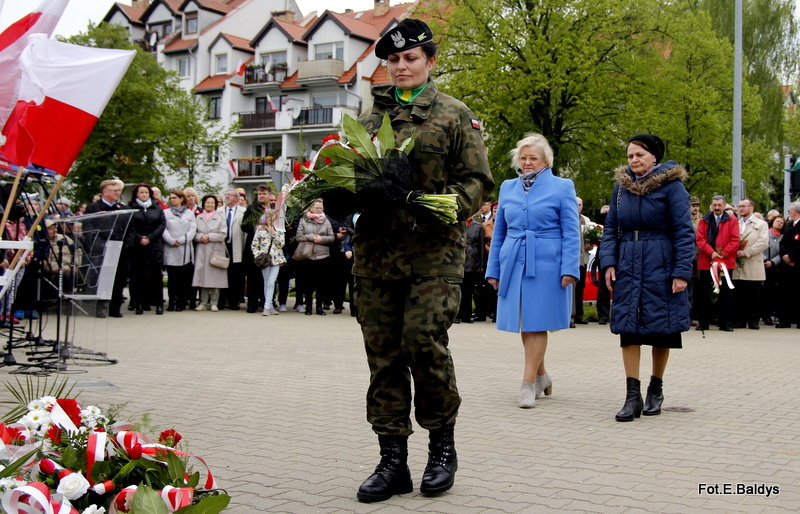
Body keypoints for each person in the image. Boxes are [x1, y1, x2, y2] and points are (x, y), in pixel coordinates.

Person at [353, 18, 494, 503]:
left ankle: (441, 448)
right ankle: (392, 460)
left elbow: (477, 181)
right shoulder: (369, 121)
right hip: (376, 257)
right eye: (392, 60)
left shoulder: (454, 115)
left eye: (410, 58)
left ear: (430, 62)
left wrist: (433, 202)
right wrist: (346, 194)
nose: (400, 67)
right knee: (383, 356)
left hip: (434, 254)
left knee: (423, 344)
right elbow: (346, 178)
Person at [599, 134, 694, 422]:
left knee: (660, 329)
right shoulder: (621, 188)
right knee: (629, 329)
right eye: (630, 156)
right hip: (628, 261)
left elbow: (683, 232)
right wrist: (609, 262)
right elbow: (611, 229)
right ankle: (632, 396)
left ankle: (656, 387)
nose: (634, 160)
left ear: (654, 156)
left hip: (660, 262)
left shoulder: (673, 187)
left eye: (639, 154)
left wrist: (681, 272)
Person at [486, 134, 579, 408]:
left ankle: (527, 383)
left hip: (548, 262)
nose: (527, 162)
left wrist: (570, 268)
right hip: (513, 260)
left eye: (533, 158)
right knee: (526, 321)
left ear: (546, 161)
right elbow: (500, 230)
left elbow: (571, 231)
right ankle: (542, 376)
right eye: (523, 158)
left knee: (537, 322)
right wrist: (494, 269)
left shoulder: (563, 186)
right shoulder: (507, 187)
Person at [696, 195, 739, 331]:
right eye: (714, 205)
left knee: (726, 292)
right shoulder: (704, 219)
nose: (717, 207)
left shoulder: (732, 220)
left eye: (719, 205)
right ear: (711, 205)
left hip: (725, 262)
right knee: (704, 292)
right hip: (706, 261)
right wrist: (712, 253)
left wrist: (723, 254)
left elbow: (735, 240)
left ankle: (725, 323)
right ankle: (703, 323)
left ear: (724, 205)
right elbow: (700, 239)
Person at [85, 179, 127, 317]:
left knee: (118, 279)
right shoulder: (94, 207)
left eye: (119, 191)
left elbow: (127, 227)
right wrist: (98, 243)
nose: (118, 193)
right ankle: (100, 307)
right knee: (101, 278)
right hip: (100, 249)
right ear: (105, 191)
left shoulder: (122, 208)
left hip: (118, 248)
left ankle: (115, 308)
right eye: (115, 190)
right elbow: (88, 227)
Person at [126, 183, 166, 315]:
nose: (144, 195)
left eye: (146, 192)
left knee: (156, 276)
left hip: (154, 246)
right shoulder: (131, 208)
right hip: (137, 247)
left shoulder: (157, 208)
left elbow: (162, 224)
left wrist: (150, 238)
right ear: (136, 194)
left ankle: (159, 304)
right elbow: (129, 226)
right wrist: (140, 238)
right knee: (138, 277)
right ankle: (139, 304)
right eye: (141, 192)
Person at [732, 198, 768, 329]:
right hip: (737, 265)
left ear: (751, 207)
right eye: (739, 206)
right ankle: (740, 320)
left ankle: (753, 320)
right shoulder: (736, 223)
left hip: (753, 262)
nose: (740, 209)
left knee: (753, 294)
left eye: (743, 206)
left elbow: (763, 242)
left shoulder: (761, 224)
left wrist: (747, 252)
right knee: (739, 294)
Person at [294, 200, 334, 315]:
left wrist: (322, 239)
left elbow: (332, 237)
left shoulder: (326, 221)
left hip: (322, 255)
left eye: (321, 208)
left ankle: (319, 307)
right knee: (308, 283)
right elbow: (298, 236)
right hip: (308, 255)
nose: (320, 210)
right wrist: (312, 237)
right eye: (317, 208)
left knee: (321, 283)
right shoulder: (304, 219)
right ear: (311, 209)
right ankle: (309, 307)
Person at [192, 195, 228, 311]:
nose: (210, 205)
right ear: (203, 204)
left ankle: (214, 302)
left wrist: (209, 236)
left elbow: (223, 234)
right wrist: (201, 237)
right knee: (203, 277)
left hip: (215, 250)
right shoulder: (198, 217)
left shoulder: (220, 217)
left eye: (212, 203)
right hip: (202, 249)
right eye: (207, 202)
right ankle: (202, 302)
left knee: (215, 277)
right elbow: (194, 233)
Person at [162, 190, 196, 311]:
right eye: (170, 198)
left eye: (175, 198)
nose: (172, 200)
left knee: (183, 279)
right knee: (172, 279)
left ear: (182, 199)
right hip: (171, 248)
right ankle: (171, 302)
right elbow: (163, 229)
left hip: (185, 248)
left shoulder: (189, 213)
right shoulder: (165, 213)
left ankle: (181, 302)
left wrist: (181, 240)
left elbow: (192, 230)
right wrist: (171, 240)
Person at [241, 185, 273, 313]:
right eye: (259, 194)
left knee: (267, 278)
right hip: (254, 249)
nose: (261, 196)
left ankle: (266, 302)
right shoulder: (251, 209)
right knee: (253, 277)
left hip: (269, 248)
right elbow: (244, 226)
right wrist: (257, 226)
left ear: (270, 195)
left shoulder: (273, 209)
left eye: (264, 194)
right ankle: (252, 304)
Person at [251, 210, 285, 315]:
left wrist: (273, 233)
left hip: (276, 259)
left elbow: (281, 244)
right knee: (266, 282)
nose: (271, 220)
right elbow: (254, 245)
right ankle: (269, 306)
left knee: (271, 282)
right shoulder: (260, 230)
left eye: (274, 218)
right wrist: (258, 255)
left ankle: (266, 307)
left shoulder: (279, 230)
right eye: (269, 218)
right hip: (264, 260)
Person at [218, 189, 246, 310]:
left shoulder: (243, 211)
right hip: (222, 246)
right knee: (221, 274)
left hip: (237, 246)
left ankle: (234, 301)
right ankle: (221, 301)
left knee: (235, 276)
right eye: (226, 195)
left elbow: (245, 233)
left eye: (229, 195)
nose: (227, 197)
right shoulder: (218, 211)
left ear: (236, 198)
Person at [456, 213, 485, 324]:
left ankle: (466, 315)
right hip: (459, 261)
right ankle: (457, 315)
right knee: (458, 289)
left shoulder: (478, 226)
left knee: (468, 290)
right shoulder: (458, 223)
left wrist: (481, 264)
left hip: (473, 263)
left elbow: (481, 246)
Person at [777, 202, 800, 328]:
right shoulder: (789, 224)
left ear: (795, 211)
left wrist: (792, 257)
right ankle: (785, 319)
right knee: (785, 292)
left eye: (790, 210)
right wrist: (784, 255)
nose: (788, 213)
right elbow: (783, 243)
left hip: (797, 264)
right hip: (786, 265)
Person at [573, 196, 595, 326]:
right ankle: (571, 315)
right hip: (573, 258)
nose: (578, 207)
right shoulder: (568, 217)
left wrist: (590, 243)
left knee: (581, 287)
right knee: (572, 288)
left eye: (580, 205)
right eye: (576, 204)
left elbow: (592, 236)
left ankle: (580, 315)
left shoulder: (586, 220)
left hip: (583, 258)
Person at [761, 215, 784, 325]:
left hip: (775, 267)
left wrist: (774, 262)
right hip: (762, 264)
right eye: (777, 221)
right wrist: (765, 260)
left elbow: (782, 252)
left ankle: (769, 314)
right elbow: (760, 247)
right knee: (763, 291)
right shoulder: (765, 234)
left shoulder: (783, 237)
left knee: (772, 292)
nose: (779, 223)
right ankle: (763, 314)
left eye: (782, 222)